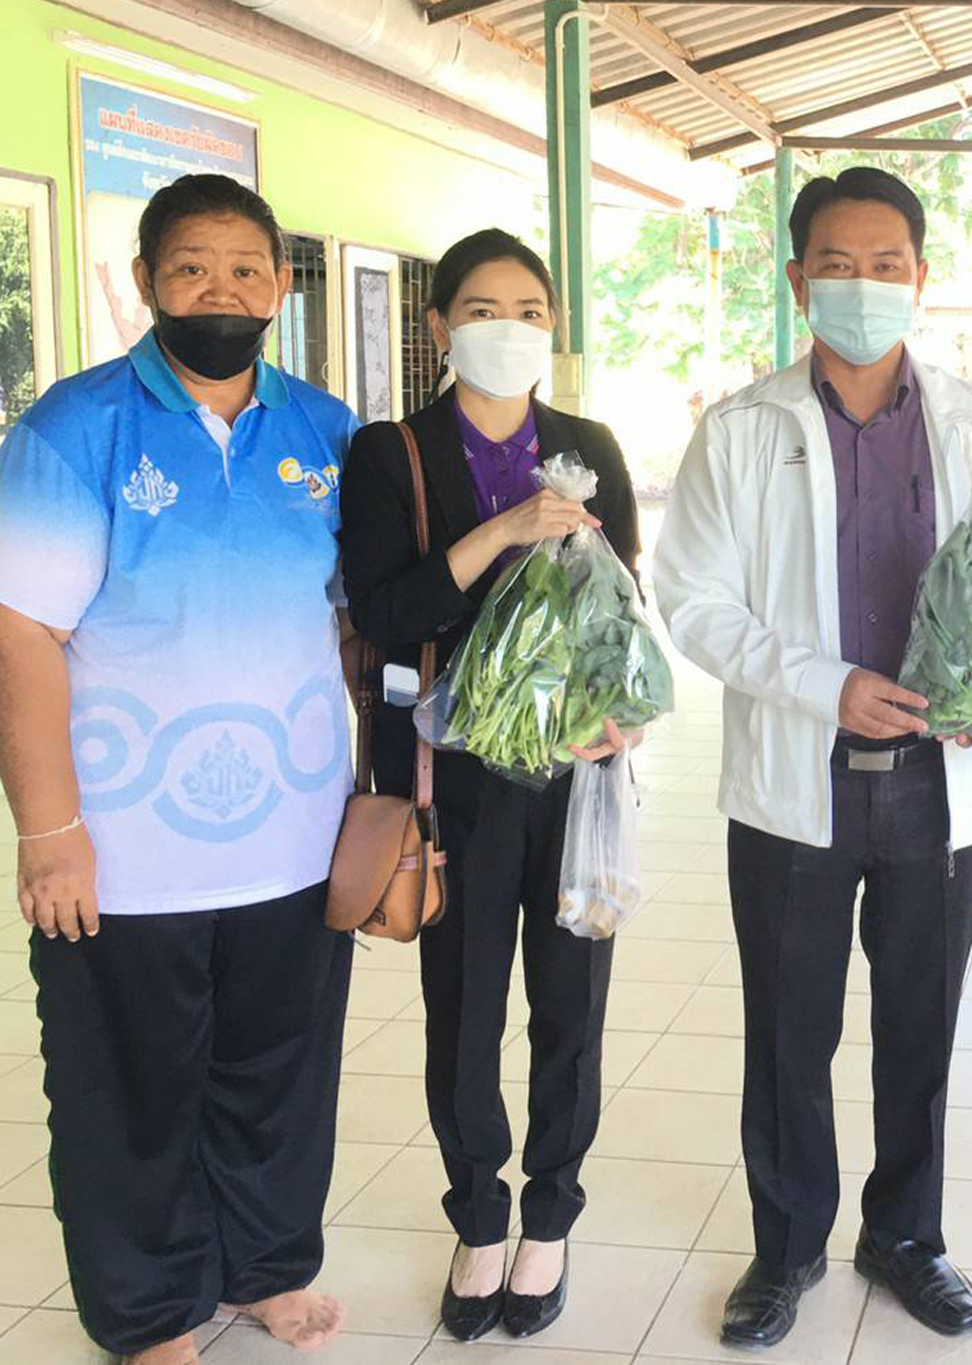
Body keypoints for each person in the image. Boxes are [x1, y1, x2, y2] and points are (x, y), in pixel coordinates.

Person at [652, 166, 972, 1350]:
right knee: (788, 1029)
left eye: (888, 264)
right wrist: (826, 686)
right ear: (796, 280)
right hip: (798, 783)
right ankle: (784, 1251)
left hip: (940, 786)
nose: (864, 284)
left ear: (920, 279)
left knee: (919, 1028)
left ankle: (907, 1238)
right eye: (838, 262)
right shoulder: (740, 431)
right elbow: (690, 601)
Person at [0, 173, 358, 1364]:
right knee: (126, 1089)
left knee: (278, 1069)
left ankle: (266, 1264)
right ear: (146, 283)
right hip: (123, 850)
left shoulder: (327, 432)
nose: (220, 291)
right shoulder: (75, 429)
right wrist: (49, 831)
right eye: (191, 267)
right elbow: (13, 628)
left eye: (245, 269)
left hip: (293, 834)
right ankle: (149, 1311)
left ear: (280, 288)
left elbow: (362, 620)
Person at [337, 228, 641, 1344]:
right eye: (480, 308)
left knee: (571, 1009)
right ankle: (477, 1218)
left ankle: (550, 1218)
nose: (506, 328)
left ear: (550, 326)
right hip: (450, 782)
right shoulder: (393, 456)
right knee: (462, 1015)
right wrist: (508, 528)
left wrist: (620, 716)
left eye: (527, 309)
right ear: (438, 329)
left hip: (574, 781)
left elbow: (622, 612)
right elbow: (385, 614)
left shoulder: (591, 443)